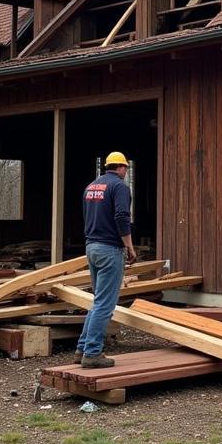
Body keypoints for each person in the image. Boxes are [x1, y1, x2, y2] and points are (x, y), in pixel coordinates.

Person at [75, 152, 137, 368]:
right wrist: (129, 245)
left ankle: (82, 348)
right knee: (105, 304)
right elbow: (122, 216)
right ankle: (92, 354)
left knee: (98, 301)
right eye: (126, 168)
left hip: (91, 247)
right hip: (110, 249)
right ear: (121, 167)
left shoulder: (92, 186)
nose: (126, 172)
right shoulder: (119, 187)